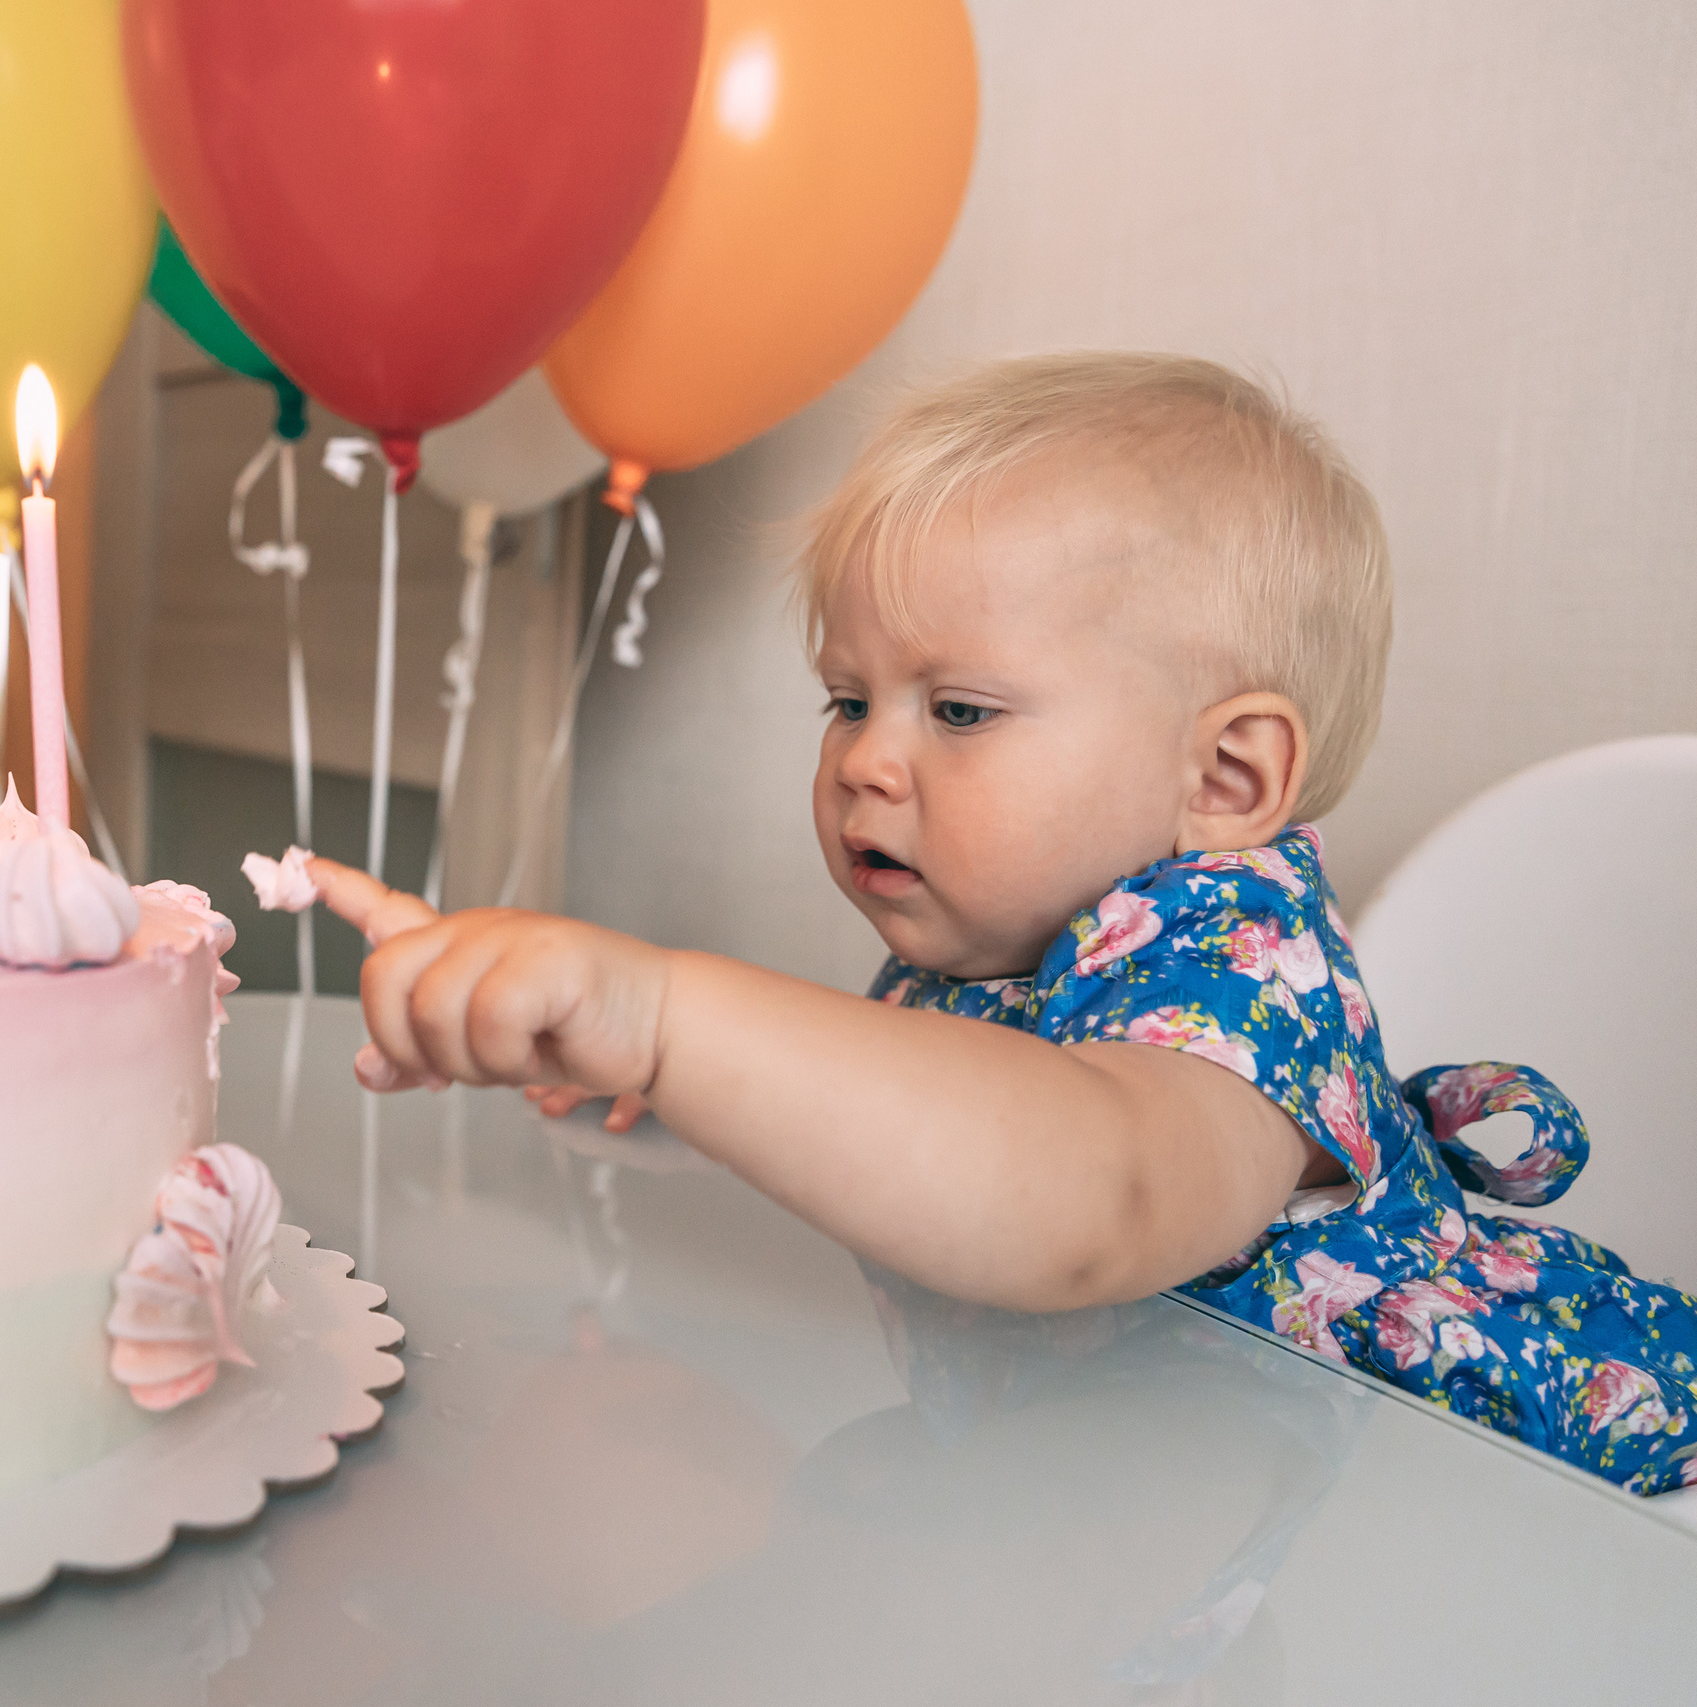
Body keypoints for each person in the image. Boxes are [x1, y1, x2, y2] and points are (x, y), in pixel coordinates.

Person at [309, 351, 1697, 1494]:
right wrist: (683, 1097)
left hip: (1491, 1531)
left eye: (960, 709)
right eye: (848, 699)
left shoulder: (1245, 972)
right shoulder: (999, 946)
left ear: (1225, 778)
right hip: (1090, 1518)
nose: (866, 759)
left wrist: (672, 1018)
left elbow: (1090, 1198)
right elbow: (931, 1130)